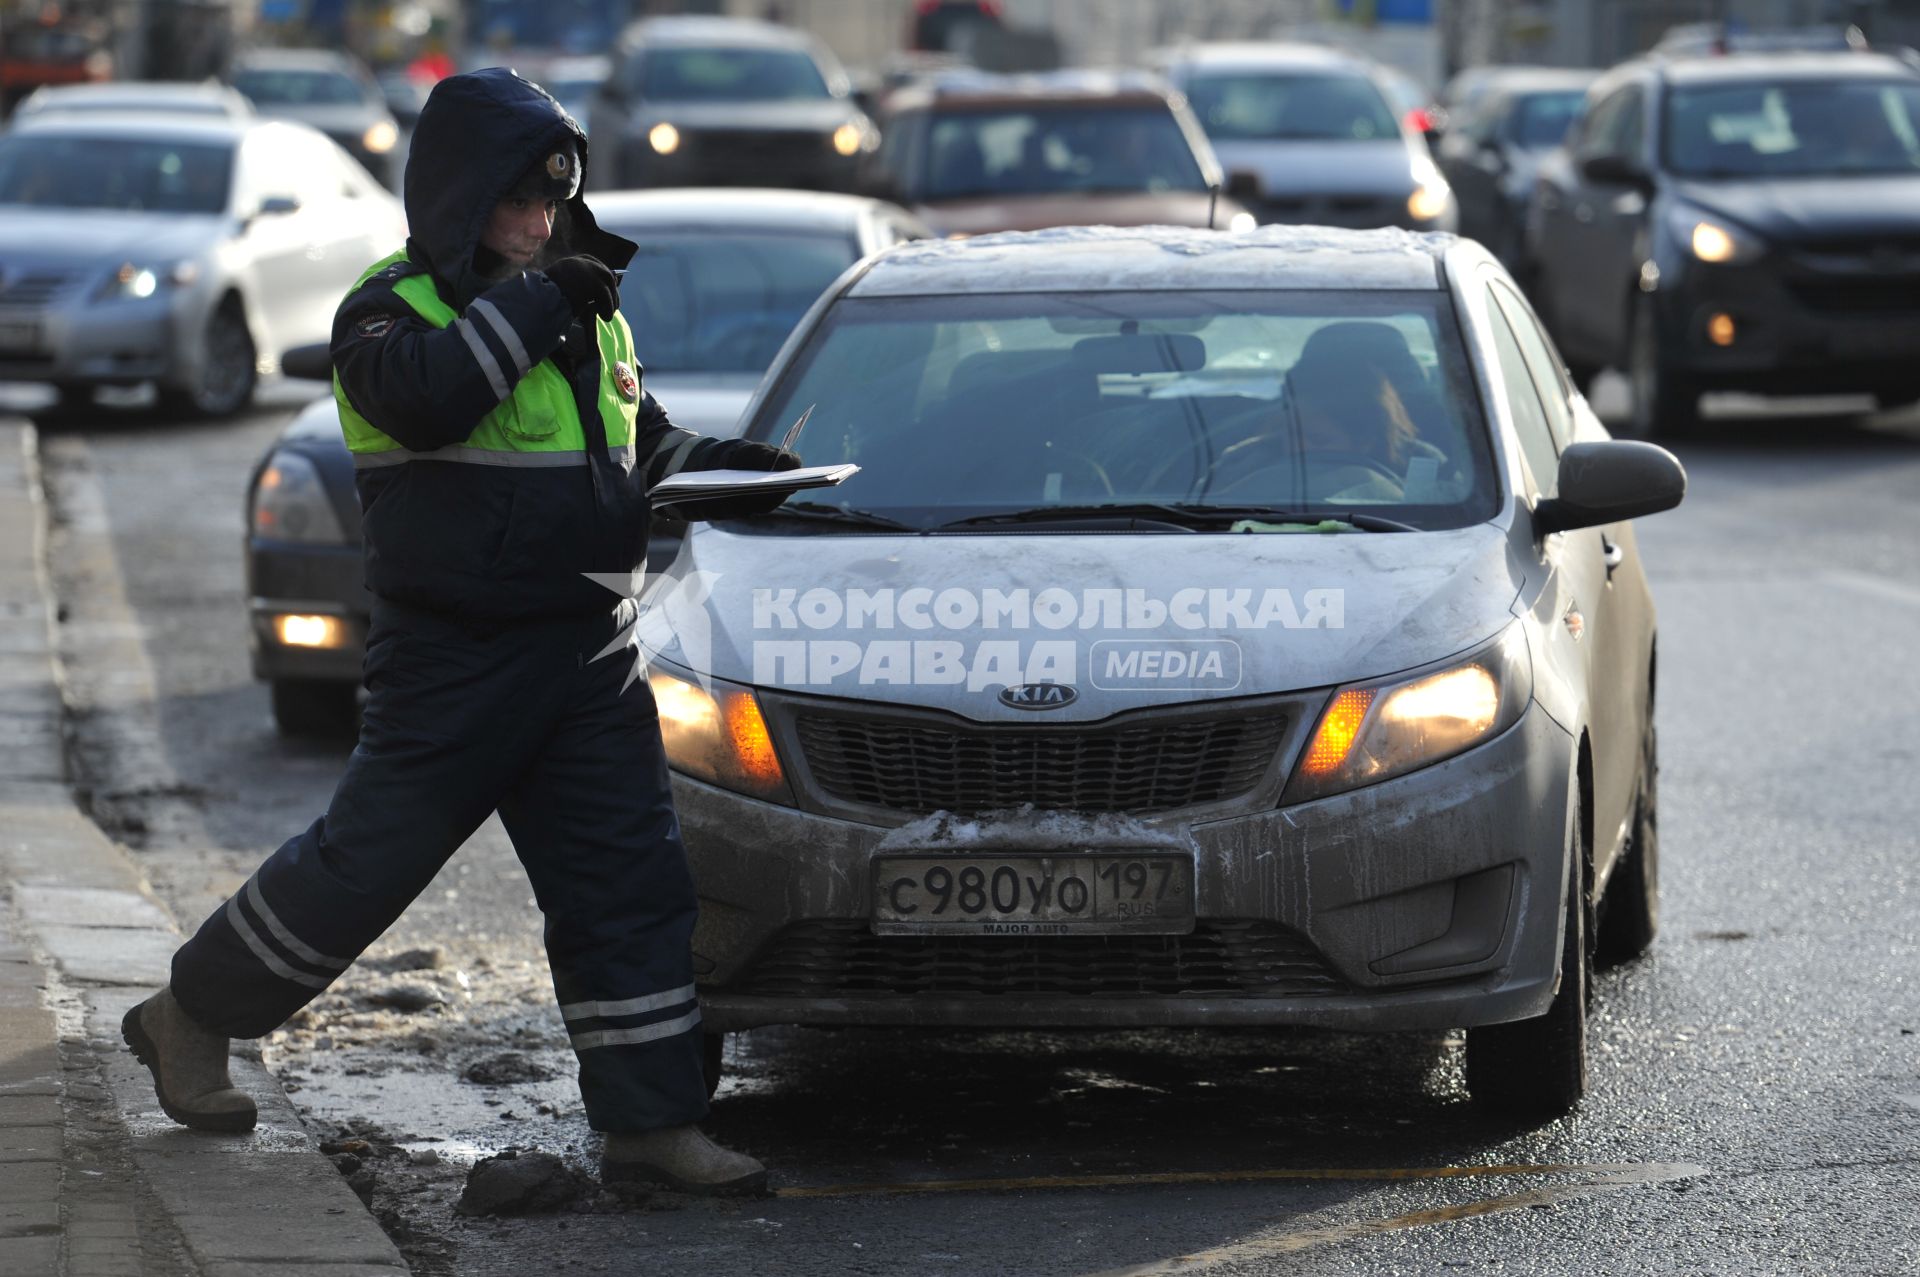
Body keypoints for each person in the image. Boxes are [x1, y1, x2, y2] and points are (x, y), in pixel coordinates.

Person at [119, 67, 796, 1195]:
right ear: (457, 198)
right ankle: (188, 1013)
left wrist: (737, 471)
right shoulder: (387, 313)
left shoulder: (581, 307)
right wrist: (543, 299)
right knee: (360, 870)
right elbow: (431, 398)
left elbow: (642, 445)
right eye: (516, 203)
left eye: (551, 203)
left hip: (587, 649)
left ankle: (650, 1124)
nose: (538, 227)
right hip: (455, 660)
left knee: (630, 887)